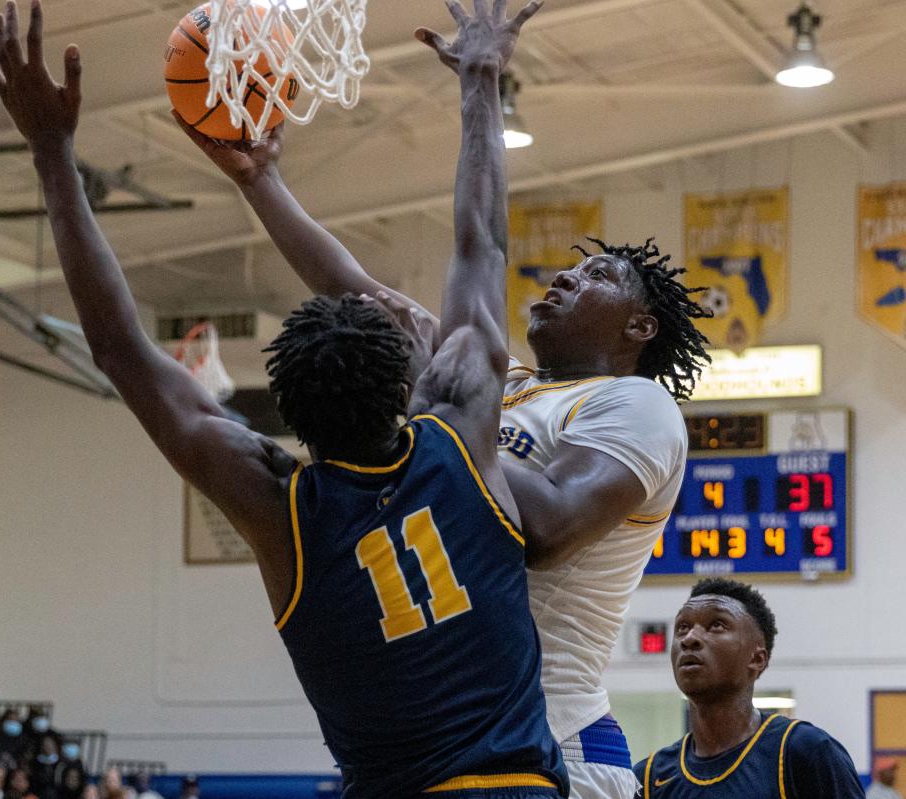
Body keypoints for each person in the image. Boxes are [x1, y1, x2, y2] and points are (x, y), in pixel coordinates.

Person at [0, 0, 567, 797]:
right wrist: (481, 76)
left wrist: (52, 152)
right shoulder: (460, 428)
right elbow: (481, 243)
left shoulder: (279, 505)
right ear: (409, 383)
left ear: (286, 414)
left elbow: (120, 351)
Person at [176, 7, 711, 799]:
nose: (564, 277)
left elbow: (551, 527)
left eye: (596, 277)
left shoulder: (636, 407)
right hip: (454, 743)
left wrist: (460, 420)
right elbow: (362, 294)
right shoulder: (504, 389)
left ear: (641, 325)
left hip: (559, 741)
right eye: (568, 269)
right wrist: (263, 182)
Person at [633, 578, 864, 798]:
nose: (689, 638)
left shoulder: (806, 753)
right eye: (682, 627)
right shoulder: (648, 777)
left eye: (716, 625)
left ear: (757, 659)